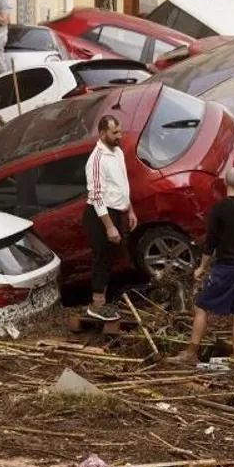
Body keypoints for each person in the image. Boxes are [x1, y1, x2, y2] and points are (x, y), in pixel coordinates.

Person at [170, 167, 234, 364]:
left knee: (202, 307)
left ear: (226, 184)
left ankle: (191, 353)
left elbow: (210, 243)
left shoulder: (219, 210)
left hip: (225, 268)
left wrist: (202, 268)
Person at [82, 115, 137, 322]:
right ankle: (96, 305)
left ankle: (104, 301)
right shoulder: (97, 160)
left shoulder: (118, 152)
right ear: (103, 133)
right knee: (102, 258)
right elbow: (97, 196)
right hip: (100, 216)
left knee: (113, 257)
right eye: (115, 133)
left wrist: (130, 209)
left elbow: (122, 184)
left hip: (116, 211)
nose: (119, 136)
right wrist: (109, 227)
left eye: (120, 132)